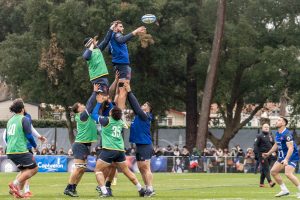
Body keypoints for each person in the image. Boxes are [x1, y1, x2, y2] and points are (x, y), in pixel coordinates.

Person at [94, 106, 144, 198]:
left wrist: (98, 103)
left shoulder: (106, 120)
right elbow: (127, 125)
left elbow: (93, 114)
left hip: (109, 149)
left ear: (111, 113)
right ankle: (140, 188)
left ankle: (104, 192)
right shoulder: (121, 122)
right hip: (120, 150)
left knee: (98, 170)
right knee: (126, 170)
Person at [64, 84, 99, 197]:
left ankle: (72, 188)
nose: (83, 105)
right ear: (78, 109)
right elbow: (89, 105)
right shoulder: (82, 116)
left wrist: (99, 100)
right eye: (81, 105)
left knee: (82, 169)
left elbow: (92, 107)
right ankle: (69, 188)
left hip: (84, 145)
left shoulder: (85, 115)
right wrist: (94, 92)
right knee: (79, 168)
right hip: (80, 145)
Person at [124, 82, 155, 197]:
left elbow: (135, 106)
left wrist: (129, 91)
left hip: (145, 145)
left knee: (146, 167)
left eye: (146, 105)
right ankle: (148, 188)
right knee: (141, 168)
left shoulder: (145, 116)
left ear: (149, 109)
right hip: (139, 145)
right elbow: (134, 106)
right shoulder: (139, 116)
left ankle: (150, 189)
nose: (143, 105)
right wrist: (127, 94)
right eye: (144, 104)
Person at [109, 20, 146, 109]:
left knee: (120, 90)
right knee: (123, 90)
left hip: (120, 65)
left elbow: (109, 51)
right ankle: (120, 115)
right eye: (120, 26)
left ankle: (116, 112)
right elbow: (121, 40)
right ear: (115, 27)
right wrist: (135, 31)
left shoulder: (112, 37)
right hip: (122, 65)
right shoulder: (117, 34)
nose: (123, 28)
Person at [5, 99, 38, 198]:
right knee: (34, 168)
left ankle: (18, 194)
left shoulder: (10, 120)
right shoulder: (24, 119)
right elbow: (29, 136)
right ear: (22, 109)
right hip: (20, 150)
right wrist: (35, 146)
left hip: (10, 151)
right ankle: (14, 184)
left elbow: (6, 137)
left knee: (24, 171)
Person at [263, 117, 300, 198]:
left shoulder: (287, 134)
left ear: (283, 123)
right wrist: (268, 153)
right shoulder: (278, 133)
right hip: (282, 156)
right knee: (273, 172)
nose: (277, 121)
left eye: (279, 120)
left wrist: (286, 159)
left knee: (288, 174)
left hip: (292, 156)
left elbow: (291, 148)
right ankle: (284, 190)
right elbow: (276, 144)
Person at [82, 22, 117, 95]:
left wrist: (111, 28)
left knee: (105, 97)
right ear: (90, 43)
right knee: (101, 97)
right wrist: (91, 45)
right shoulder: (87, 52)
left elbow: (106, 40)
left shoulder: (98, 49)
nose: (95, 42)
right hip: (97, 78)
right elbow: (86, 57)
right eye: (93, 41)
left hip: (103, 77)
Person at [254, 123, 276, 188]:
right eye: (265, 127)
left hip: (269, 154)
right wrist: (257, 155)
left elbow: (274, 145)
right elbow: (255, 145)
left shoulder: (271, 136)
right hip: (262, 155)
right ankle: (270, 182)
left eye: (267, 127)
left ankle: (261, 183)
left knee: (264, 169)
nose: (266, 128)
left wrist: (275, 152)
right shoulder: (259, 136)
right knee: (266, 168)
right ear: (262, 128)